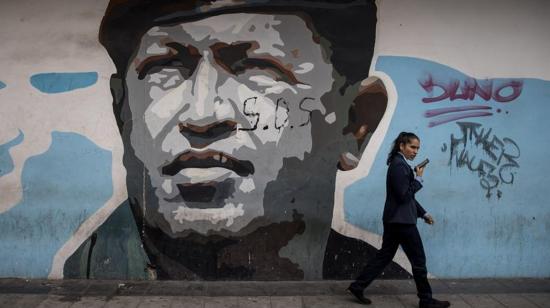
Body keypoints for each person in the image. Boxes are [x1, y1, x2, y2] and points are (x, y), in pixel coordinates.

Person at [64, 0, 410, 280]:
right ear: (120, 110)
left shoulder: (387, 285)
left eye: (258, 68)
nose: (201, 117)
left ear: (354, 126)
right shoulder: (85, 276)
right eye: (163, 68)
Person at [347, 132, 451, 307]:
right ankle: (426, 300)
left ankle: (358, 286)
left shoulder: (401, 165)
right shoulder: (399, 166)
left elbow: (406, 197)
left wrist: (423, 214)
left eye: (418, 148)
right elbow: (404, 196)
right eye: (412, 147)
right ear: (402, 146)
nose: (416, 151)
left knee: (384, 256)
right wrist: (419, 179)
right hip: (402, 223)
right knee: (418, 261)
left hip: (395, 220)